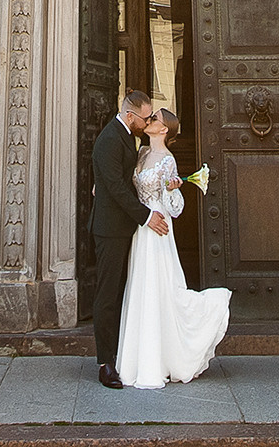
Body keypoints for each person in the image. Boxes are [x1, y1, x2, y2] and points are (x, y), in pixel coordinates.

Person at [116, 106, 232, 388]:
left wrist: (172, 189)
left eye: (154, 118)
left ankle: (171, 349)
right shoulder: (142, 153)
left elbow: (176, 209)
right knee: (143, 287)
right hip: (140, 227)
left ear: (164, 129)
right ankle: (139, 359)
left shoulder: (168, 161)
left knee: (159, 287)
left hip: (157, 227)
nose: (149, 120)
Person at [89, 89, 163, 388]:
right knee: (107, 295)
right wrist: (146, 216)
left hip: (124, 227)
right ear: (130, 116)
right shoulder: (109, 139)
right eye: (144, 119)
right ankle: (105, 363)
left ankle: (124, 355)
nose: (147, 124)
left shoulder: (125, 136)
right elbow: (117, 189)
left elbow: (117, 180)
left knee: (124, 291)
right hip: (110, 229)